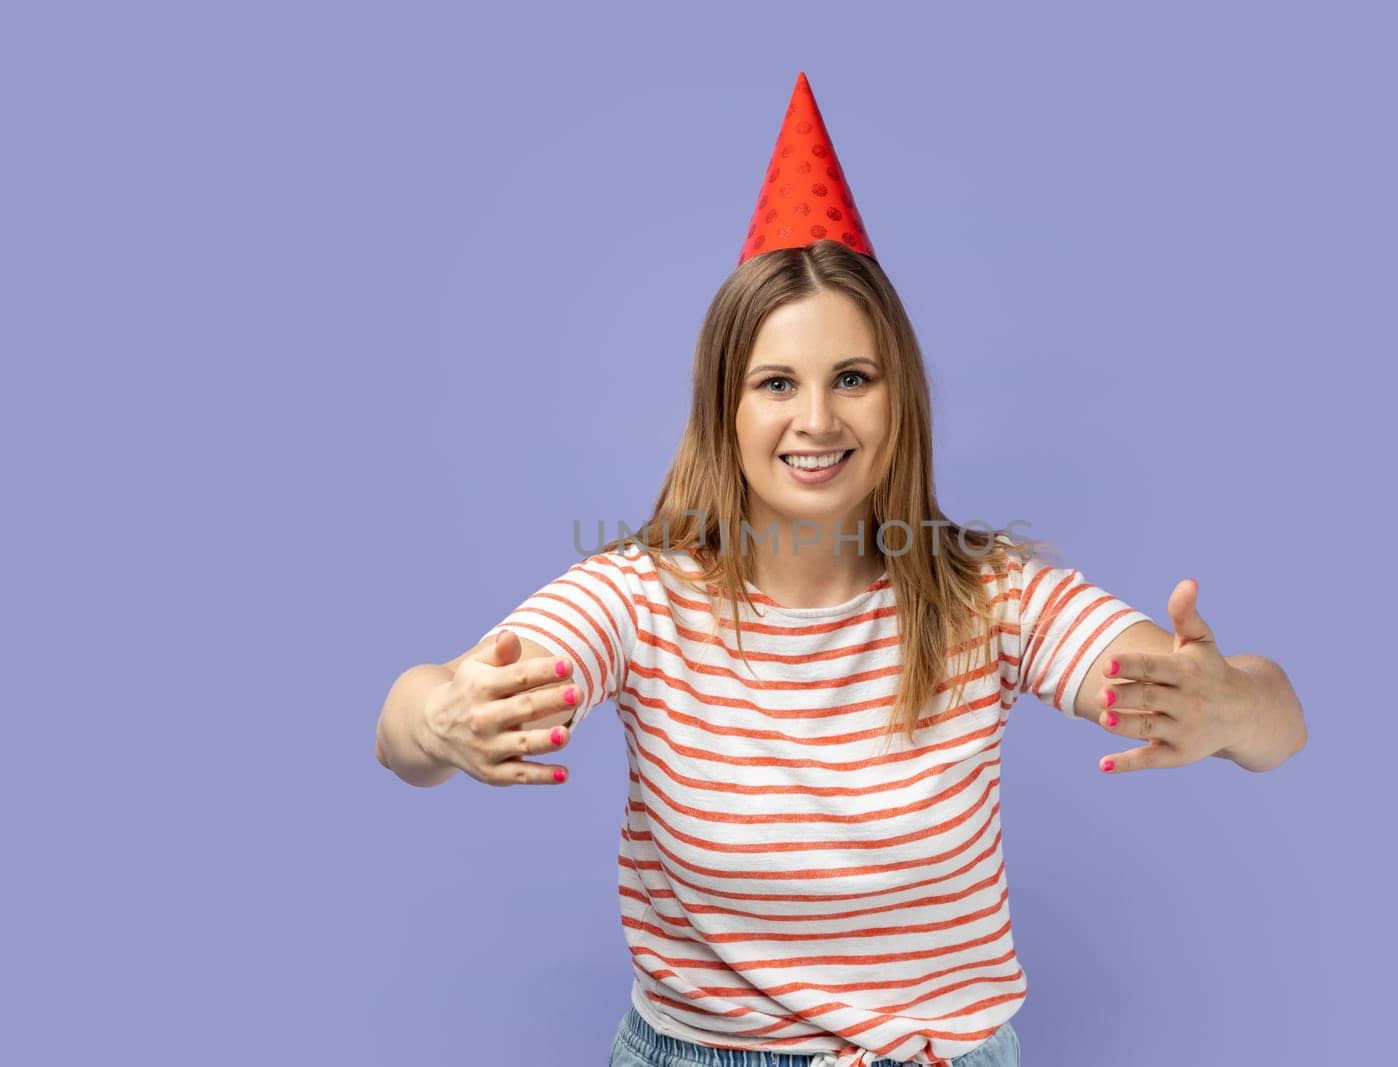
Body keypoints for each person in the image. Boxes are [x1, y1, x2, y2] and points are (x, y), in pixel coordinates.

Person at [374, 72, 1306, 1067]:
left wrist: (1229, 707)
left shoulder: (987, 594)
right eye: (776, 383)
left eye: (851, 378)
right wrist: (439, 717)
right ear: (722, 410)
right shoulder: (641, 594)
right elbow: (408, 719)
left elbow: (1275, 722)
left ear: (897, 396)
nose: (816, 421)